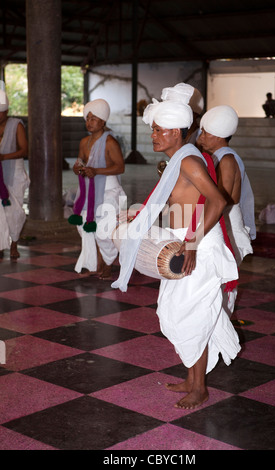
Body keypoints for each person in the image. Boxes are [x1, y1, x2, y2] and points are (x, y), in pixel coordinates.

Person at [112, 89, 240, 410]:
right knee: (184, 311)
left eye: (158, 129)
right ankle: (192, 380)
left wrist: (193, 242)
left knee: (188, 313)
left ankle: (200, 389)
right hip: (187, 240)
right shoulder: (178, 160)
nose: (153, 135)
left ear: (175, 131)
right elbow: (185, 206)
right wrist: (141, 218)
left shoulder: (189, 161)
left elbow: (218, 200)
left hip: (200, 245)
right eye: (152, 129)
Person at [198, 105, 255, 316]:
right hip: (219, 219)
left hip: (227, 221)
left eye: (205, 132)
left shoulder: (227, 159)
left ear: (217, 135)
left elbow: (222, 198)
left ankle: (222, 326)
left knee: (223, 274)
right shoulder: (216, 156)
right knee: (213, 275)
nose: (201, 136)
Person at [69, 98, 126, 279]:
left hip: (109, 191)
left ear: (103, 121)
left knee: (103, 231)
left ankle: (108, 262)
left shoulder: (110, 142)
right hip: (88, 192)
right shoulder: (84, 141)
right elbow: (80, 160)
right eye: (87, 118)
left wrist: (97, 171)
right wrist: (77, 167)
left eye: (93, 118)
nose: (89, 122)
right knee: (84, 228)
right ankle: (92, 263)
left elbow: (120, 167)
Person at [0, 89, 29, 260]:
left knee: (14, 211)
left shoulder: (16, 125)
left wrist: (4, 157)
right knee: (0, 212)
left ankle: (14, 243)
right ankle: (1, 243)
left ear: (7, 111)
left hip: (14, 174)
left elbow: (24, 150)